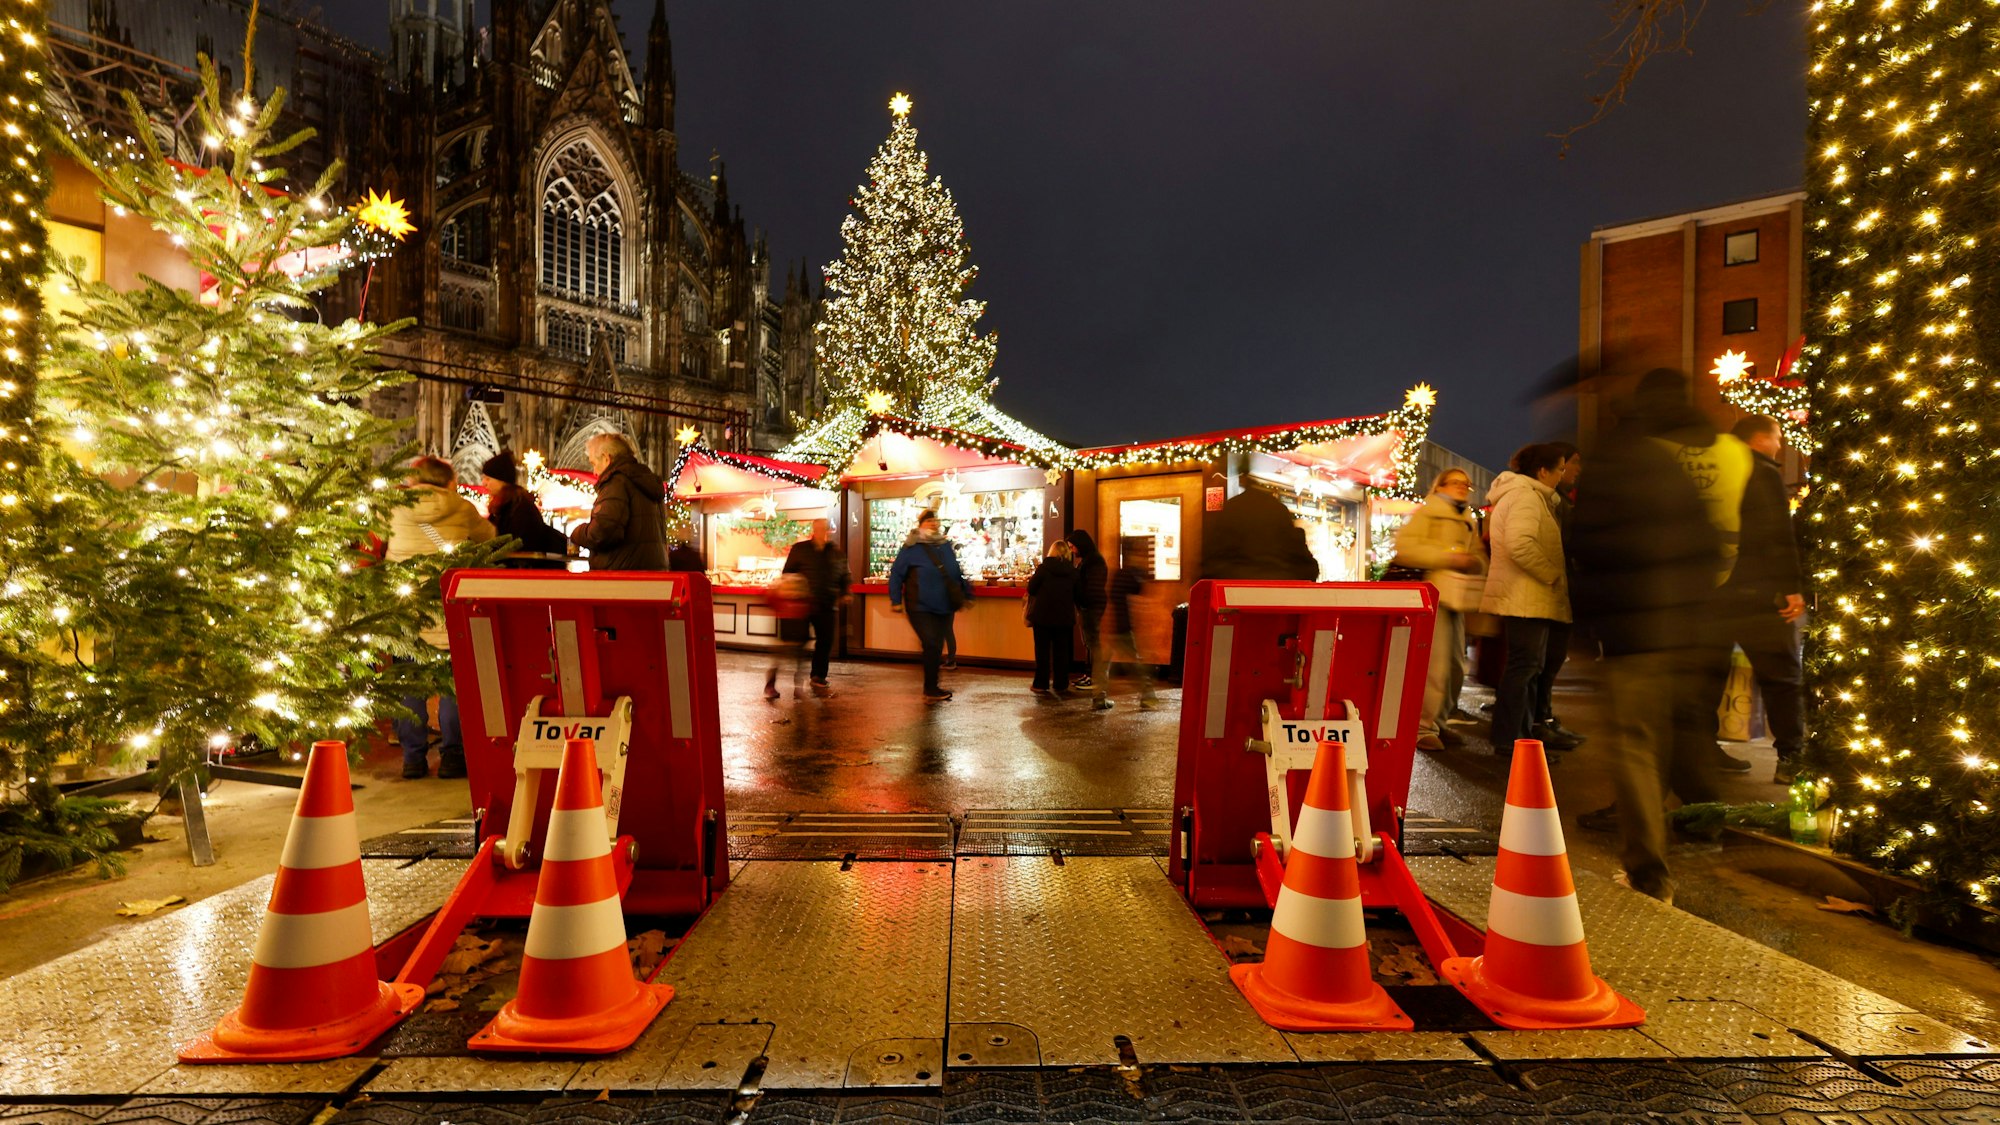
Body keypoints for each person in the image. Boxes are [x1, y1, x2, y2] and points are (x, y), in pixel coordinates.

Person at [1570, 374, 1725, 904]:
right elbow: (1706, 544)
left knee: (1635, 747)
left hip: (1634, 629)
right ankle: (1709, 821)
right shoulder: (1679, 466)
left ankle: (1649, 874)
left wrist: (1589, 626)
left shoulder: (1613, 462)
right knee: (1677, 735)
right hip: (1687, 626)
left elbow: (1590, 547)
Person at [385, 455, 496, 779]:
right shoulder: (462, 507)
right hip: (448, 605)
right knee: (453, 685)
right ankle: (453, 756)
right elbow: (489, 537)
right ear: (449, 480)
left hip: (407, 607)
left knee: (409, 684)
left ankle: (413, 759)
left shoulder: (395, 506)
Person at [1477, 443, 1571, 761]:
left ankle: (1520, 740)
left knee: (1528, 668)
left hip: (1527, 596)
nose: (1563, 474)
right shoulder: (1527, 497)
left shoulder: (1528, 496)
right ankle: (1510, 740)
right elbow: (1520, 544)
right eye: (1559, 468)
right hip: (1526, 597)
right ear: (1542, 471)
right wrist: (1552, 574)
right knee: (1524, 668)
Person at [1727, 414, 1808, 784]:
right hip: (1757, 592)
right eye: (1777, 437)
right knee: (1782, 676)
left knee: (1704, 677)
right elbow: (1778, 533)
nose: (1779, 445)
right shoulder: (1762, 473)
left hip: (1713, 592)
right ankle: (1791, 756)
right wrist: (1791, 586)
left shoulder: (1714, 472)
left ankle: (1700, 753)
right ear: (1759, 439)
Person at [1392, 468, 1486, 751]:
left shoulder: (1467, 517)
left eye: (1465, 484)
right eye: (1455, 482)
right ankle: (1423, 727)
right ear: (1441, 485)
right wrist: (1448, 558)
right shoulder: (1428, 513)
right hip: (1434, 595)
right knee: (1435, 665)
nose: (1461, 487)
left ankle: (1440, 721)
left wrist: (1475, 563)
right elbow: (1405, 548)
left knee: (1456, 664)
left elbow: (1478, 555)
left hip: (1458, 596)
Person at [1530, 443, 1587, 750]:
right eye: (1566, 465)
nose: (1573, 471)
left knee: (1549, 662)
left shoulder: (1560, 500)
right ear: (1545, 470)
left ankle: (1545, 717)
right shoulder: (1545, 502)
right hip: (1549, 591)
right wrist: (1554, 575)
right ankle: (1538, 722)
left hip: (1560, 590)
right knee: (1542, 662)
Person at [887, 508, 972, 702]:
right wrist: (895, 600)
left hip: (945, 604)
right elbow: (897, 574)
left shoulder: (945, 545)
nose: (934, 524)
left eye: (936, 520)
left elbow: (955, 572)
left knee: (935, 645)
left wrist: (966, 592)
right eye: (929, 521)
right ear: (921, 524)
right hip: (920, 605)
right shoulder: (911, 547)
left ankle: (932, 686)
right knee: (932, 642)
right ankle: (930, 688)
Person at [571, 433, 668, 571]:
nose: (594, 472)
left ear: (606, 458)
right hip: (652, 574)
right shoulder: (646, 481)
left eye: (593, 463)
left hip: (622, 577)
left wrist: (577, 532)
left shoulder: (617, 483)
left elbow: (603, 533)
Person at [775, 518, 849, 697]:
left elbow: (845, 574)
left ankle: (818, 676)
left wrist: (845, 591)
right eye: (819, 527)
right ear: (814, 529)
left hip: (827, 604)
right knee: (799, 642)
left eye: (824, 528)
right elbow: (787, 573)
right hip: (804, 603)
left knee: (825, 641)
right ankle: (792, 678)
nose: (822, 530)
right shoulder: (800, 549)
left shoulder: (835, 552)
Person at [1203, 487, 1319, 580]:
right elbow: (1309, 570)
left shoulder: (1228, 523)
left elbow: (1209, 569)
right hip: (1283, 598)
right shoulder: (1285, 535)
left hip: (1234, 599)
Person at [480, 451, 566, 569]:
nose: (484, 483)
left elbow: (522, 543)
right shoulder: (503, 505)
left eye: (488, 479)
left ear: (502, 479)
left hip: (525, 570)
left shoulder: (520, 506)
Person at [1107, 536, 1160, 709]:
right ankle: (1147, 694)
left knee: (1127, 661)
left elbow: (1116, 598)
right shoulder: (1131, 576)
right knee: (1131, 661)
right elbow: (1137, 594)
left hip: (1120, 625)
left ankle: (1147, 694)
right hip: (1125, 625)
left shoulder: (1122, 575)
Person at [1027, 539, 1081, 696]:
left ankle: (1040, 683)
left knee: (1042, 651)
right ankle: (1061, 683)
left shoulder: (1044, 568)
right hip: (1064, 617)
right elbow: (1078, 594)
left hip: (1043, 616)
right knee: (1061, 652)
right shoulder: (1072, 571)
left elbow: (1031, 588)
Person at [1067, 529, 1110, 708]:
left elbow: (1092, 587)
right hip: (1088, 606)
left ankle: (1093, 677)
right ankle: (1089, 674)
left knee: (1092, 642)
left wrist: (1083, 602)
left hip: (1091, 607)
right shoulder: (1089, 560)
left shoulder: (1094, 561)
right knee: (1089, 642)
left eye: (1073, 546)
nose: (1072, 550)